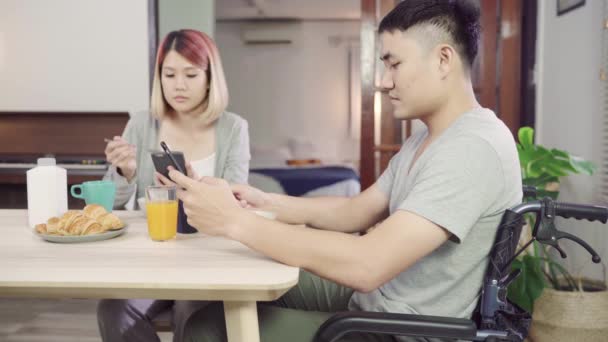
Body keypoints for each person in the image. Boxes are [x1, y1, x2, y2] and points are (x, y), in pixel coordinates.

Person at [170, 1, 523, 341]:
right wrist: (263, 200)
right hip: (378, 301)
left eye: (394, 64)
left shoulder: (472, 147)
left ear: (443, 59)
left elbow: (368, 264)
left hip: (399, 330)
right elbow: (353, 211)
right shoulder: (427, 140)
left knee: (211, 327)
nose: (383, 82)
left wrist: (234, 221)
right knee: (235, 275)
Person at [97, 29, 250, 342]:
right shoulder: (141, 124)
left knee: (190, 310)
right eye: (169, 74)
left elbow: (235, 200)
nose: (178, 85)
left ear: (210, 78)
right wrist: (123, 171)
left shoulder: (233, 128)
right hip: (152, 260)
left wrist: (196, 187)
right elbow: (107, 207)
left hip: (209, 259)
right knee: (112, 310)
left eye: (191, 75)